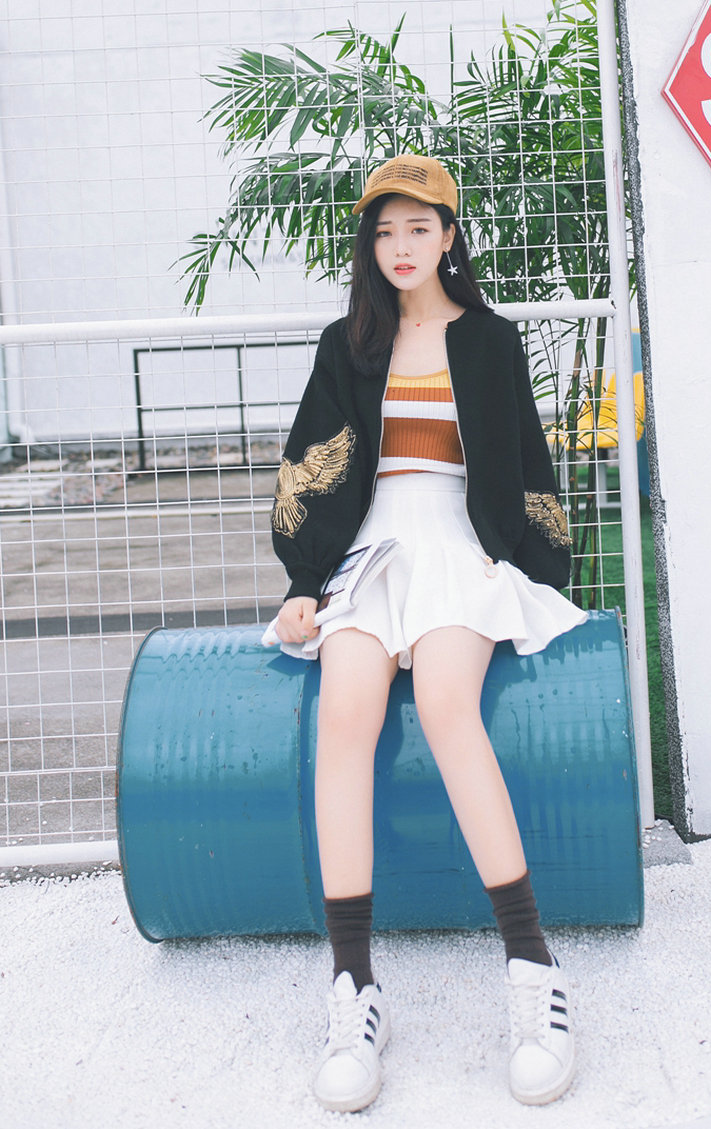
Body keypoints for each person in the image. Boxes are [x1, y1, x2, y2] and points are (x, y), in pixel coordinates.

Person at [270, 153, 587, 1112]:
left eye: (419, 228)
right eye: (385, 231)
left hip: (457, 543)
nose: (401, 246)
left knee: (449, 705)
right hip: (371, 550)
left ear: (449, 236)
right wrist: (305, 583)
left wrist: (519, 561)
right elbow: (315, 463)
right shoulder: (348, 343)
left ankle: (533, 970)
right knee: (345, 714)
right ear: (369, 246)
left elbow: (521, 461)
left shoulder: (488, 340)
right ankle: (353, 986)